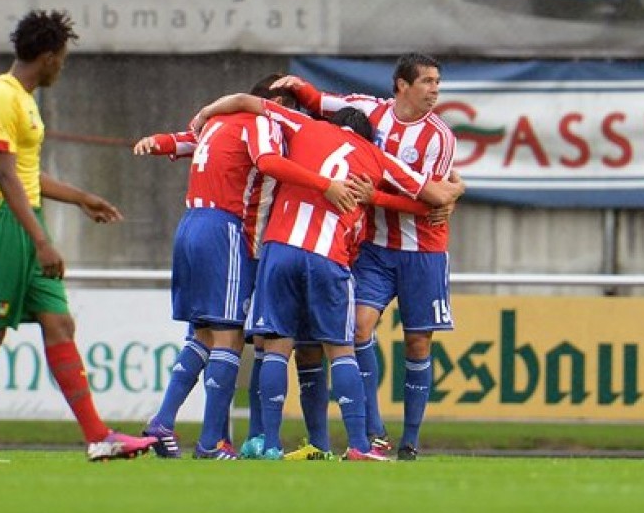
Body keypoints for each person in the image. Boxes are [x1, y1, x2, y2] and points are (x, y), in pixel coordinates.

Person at [192, 93, 464, 461]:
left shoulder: (305, 126)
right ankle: (358, 445)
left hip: (278, 249)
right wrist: (457, 188)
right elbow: (435, 195)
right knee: (340, 349)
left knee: (275, 346)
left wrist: (206, 111)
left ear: (334, 126)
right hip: (327, 256)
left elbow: (244, 100)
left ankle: (268, 443)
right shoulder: (376, 155)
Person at [0, 10, 157, 462]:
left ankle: (98, 436)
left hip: (25, 218)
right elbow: (4, 176)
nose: (62, 66)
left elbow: (27, 173)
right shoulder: (1, 96)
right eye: (61, 58)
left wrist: (81, 197)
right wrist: (42, 240)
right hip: (1, 222)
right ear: (46, 57)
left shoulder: (25, 99)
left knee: (59, 322)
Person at [133, 76, 355, 460]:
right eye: (291, 107)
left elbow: (188, 140)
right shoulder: (263, 123)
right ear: (276, 102)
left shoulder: (220, 122)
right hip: (227, 228)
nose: (293, 117)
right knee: (230, 335)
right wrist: (324, 184)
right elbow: (268, 161)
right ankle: (211, 442)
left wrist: (160, 142)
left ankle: (164, 422)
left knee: (201, 333)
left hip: (190, 223)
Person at [272, 53, 460, 460]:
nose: (434, 91)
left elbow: (429, 199)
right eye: (426, 82)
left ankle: (410, 440)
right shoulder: (370, 111)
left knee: (417, 343)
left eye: (437, 83)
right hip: (375, 247)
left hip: (422, 249)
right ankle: (376, 434)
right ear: (401, 85)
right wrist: (297, 87)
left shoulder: (441, 138)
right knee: (358, 329)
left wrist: (373, 195)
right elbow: (323, 103)